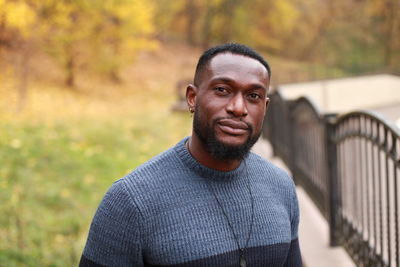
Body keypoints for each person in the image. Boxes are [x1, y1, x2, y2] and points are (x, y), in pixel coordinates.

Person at [79, 43, 302, 267]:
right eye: (222, 90)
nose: (238, 107)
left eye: (253, 95)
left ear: (265, 107)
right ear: (192, 98)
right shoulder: (130, 202)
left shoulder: (281, 186)